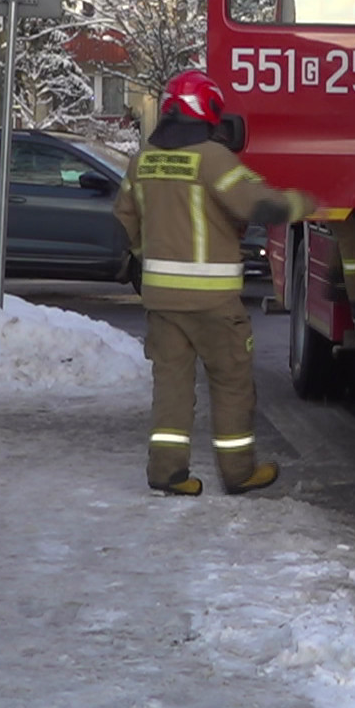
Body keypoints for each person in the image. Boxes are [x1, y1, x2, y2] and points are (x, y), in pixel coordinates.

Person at [114, 69, 317, 497]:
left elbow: (125, 220)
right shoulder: (211, 158)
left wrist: (144, 259)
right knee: (231, 383)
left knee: (171, 384)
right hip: (212, 303)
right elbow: (257, 204)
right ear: (205, 110)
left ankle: (167, 472)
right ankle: (239, 471)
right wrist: (306, 202)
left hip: (162, 301)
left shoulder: (142, 161)